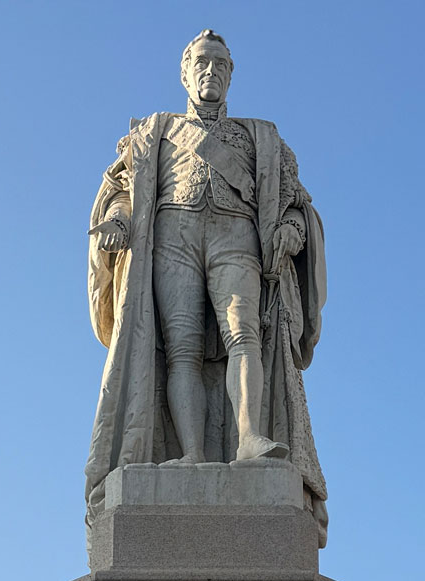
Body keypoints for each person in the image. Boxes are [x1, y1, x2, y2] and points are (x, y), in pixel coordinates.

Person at [82, 29, 330, 540]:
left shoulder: (261, 137)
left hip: (236, 236)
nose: (210, 72)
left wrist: (291, 228)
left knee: (245, 334)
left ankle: (249, 440)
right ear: (184, 71)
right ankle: (191, 453)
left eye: (220, 64)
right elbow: (124, 190)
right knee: (183, 350)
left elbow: (295, 203)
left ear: (231, 74)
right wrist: (119, 221)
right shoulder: (155, 133)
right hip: (172, 236)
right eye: (202, 63)